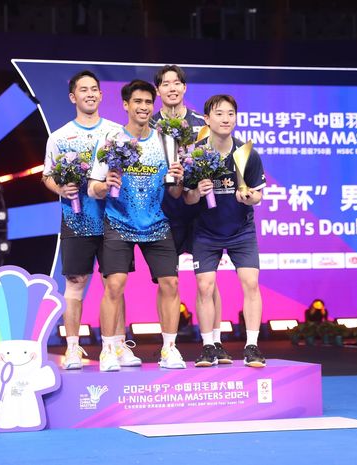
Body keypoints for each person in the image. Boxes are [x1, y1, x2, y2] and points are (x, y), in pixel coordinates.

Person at [42, 70, 140, 370]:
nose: (90, 94)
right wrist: (61, 187)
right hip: (77, 220)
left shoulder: (115, 133)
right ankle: (73, 348)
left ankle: (119, 345)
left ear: (100, 95)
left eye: (94, 89)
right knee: (75, 282)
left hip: (114, 219)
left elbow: (131, 169)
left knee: (115, 284)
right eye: (83, 90)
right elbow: (46, 175)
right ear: (73, 97)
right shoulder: (59, 137)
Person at [89, 79, 186, 372]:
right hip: (118, 221)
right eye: (138, 102)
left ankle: (169, 349)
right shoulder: (111, 140)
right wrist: (106, 185)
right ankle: (109, 350)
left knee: (171, 284)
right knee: (115, 284)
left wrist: (179, 179)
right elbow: (93, 187)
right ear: (126, 105)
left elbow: (175, 193)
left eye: (148, 102)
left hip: (156, 223)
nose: (143, 107)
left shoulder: (166, 141)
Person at [150, 65, 231, 364]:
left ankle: (216, 342)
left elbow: (221, 156)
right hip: (163, 213)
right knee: (167, 282)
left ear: (184, 88)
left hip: (200, 212)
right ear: (158, 90)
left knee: (207, 281)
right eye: (165, 84)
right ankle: (168, 346)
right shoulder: (150, 125)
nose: (172, 88)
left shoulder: (202, 123)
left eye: (177, 83)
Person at [184, 94, 267, 368]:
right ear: (207, 119)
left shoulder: (246, 153)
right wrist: (198, 191)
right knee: (204, 287)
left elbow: (257, 196)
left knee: (251, 284)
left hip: (241, 231)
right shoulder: (196, 154)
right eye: (219, 114)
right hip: (206, 232)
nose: (225, 119)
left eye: (230, 113)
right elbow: (187, 199)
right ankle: (209, 346)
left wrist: (248, 197)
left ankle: (252, 346)